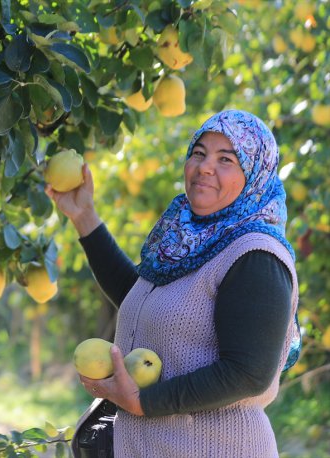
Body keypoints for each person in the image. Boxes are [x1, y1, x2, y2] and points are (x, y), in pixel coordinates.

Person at [45, 110, 300, 457]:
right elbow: (139, 297)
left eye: (226, 159)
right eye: (199, 153)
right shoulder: (187, 240)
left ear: (254, 175)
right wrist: (83, 215)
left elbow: (248, 374)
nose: (205, 166)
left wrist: (142, 402)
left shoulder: (255, 255)